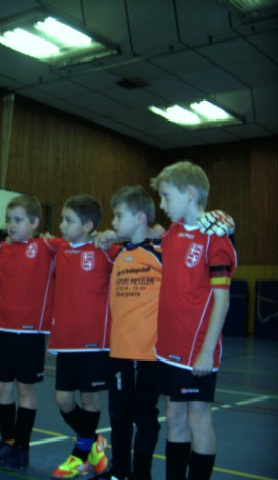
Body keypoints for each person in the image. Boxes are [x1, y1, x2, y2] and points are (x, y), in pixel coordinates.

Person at [150, 161, 236, 480]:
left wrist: (207, 351)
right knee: (174, 414)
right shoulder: (172, 234)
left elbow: (222, 300)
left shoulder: (217, 239)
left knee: (198, 418)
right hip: (168, 346)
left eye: (166, 196)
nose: (162, 204)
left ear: (189, 193)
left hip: (197, 349)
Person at [46, 195, 120, 479]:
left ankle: (80, 456)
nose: (62, 225)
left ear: (88, 226)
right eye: (62, 219)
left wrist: (113, 235)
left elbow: (138, 241)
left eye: (69, 220)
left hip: (94, 342)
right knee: (63, 399)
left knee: (90, 399)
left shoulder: (104, 250)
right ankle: (93, 441)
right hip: (65, 341)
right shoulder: (58, 248)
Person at [0, 194, 57, 471]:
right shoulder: (1, 248)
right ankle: (8, 440)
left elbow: (79, 242)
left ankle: (22, 447)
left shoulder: (46, 247)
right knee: (2, 386)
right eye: (8, 220)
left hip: (30, 333)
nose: (11, 225)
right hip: (2, 328)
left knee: (25, 388)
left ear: (35, 223)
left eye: (18, 220)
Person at [98, 185, 163, 480]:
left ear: (140, 218)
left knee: (145, 417)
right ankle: (120, 469)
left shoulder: (160, 253)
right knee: (118, 415)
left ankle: (141, 474)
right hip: (119, 350)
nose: (113, 222)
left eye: (119, 215)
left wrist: (161, 234)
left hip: (148, 352)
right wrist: (107, 237)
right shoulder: (118, 254)